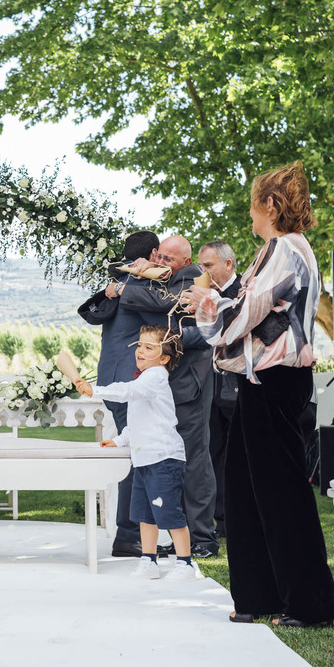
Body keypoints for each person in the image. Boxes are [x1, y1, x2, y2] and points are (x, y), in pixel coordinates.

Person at [196, 160, 334, 628]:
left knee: (281, 493)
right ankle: (260, 595)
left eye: (255, 206)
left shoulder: (284, 249)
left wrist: (206, 311)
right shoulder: (284, 248)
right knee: (245, 489)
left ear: (271, 206)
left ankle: (309, 604)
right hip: (264, 382)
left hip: (276, 381)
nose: (251, 216)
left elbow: (247, 311)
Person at [113, 235, 217, 558]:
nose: (162, 264)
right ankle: (180, 533)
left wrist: (170, 340)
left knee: (194, 459)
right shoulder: (160, 279)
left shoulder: (192, 278)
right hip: (164, 388)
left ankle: (203, 537)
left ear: (185, 262)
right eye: (160, 257)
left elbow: (203, 331)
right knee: (169, 461)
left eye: (170, 260)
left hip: (190, 384)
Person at [77, 326, 195, 581]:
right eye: (139, 345)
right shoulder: (145, 379)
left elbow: (127, 392)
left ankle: (185, 563)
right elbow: (138, 422)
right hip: (144, 460)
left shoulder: (155, 377)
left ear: (164, 358)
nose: (140, 351)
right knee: (145, 514)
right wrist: (120, 440)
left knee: (169, 513)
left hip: (164, 459)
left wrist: (95, 390)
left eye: (149, 347)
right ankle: (148, 560)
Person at [77, 230, 159, 558]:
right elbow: (161, 318)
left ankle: (131, 533)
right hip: (129, 382)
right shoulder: (139, 283)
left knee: (134, 450)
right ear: (152, 254)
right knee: (138, 455)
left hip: (112, 378)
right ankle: (128, 535)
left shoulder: (118, 282)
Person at [184, 240, 239, 539]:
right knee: (212, 456)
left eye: (208, 265)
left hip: (236, 389)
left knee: (235, 459)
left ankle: (234, 523)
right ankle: (216, 519)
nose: (202, 271)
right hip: (206, 389)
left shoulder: (243, 293)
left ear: (228, 265)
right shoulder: (199, 294)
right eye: (201, 266)